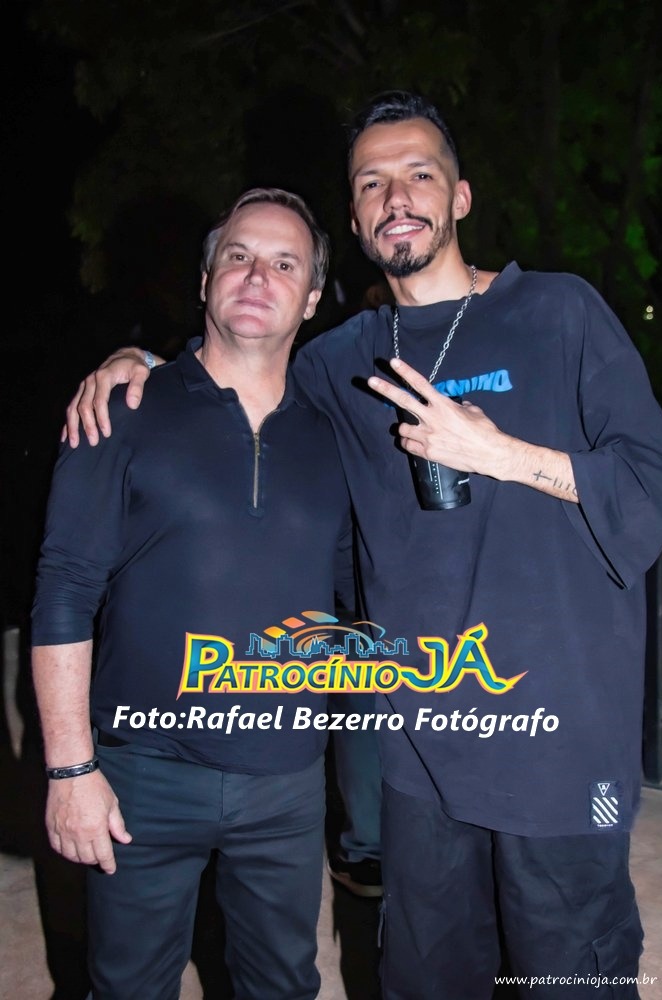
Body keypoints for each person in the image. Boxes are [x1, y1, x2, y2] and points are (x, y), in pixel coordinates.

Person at [64, 92, 662, 999]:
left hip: (556, 744)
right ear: (353, 220)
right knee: (424, 979)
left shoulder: (558, 312)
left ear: (459, 196)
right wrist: (140, 364)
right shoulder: (338, 361)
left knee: (566, 981)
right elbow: (236, 371)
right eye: (372, 182)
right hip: (420, 754)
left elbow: (650, 483)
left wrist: (500, 455)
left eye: (420, 173)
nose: (397, 196)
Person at [31, 188, 356, 1000]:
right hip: (140, 774)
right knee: (128, 987)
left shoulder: (335, 436)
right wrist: (71, 770)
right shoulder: (122, 410)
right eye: (238, 256)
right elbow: (65, 590)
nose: (257, 276)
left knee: (282, 986)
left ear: (311, 298)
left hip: (286, 782)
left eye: (284, 264)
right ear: (207, 278)